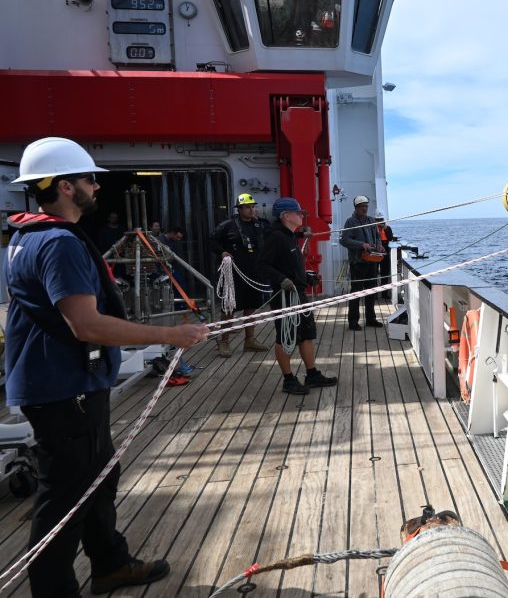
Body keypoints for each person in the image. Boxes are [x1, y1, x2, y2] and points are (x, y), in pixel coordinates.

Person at [4, 137, 209, 596]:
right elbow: (86, 325)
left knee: (98, 477)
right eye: (88, 179)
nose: (97, 187)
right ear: (64, 187)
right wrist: (170, 336)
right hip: (63, 389)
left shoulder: (24, 236)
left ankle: (110, 564)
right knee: (65, 497)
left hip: (58, 383)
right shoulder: (58, 242)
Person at [256, 197, 337, 395]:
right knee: (286, 337)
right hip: (283, 295)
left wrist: (306, 277)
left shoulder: (290, 235)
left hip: (298, 293)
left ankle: (312, 374)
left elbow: (291, 264)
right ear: (285, 216)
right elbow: (262, 265)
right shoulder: (275, 237)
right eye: (298, 212)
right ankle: (288, 380)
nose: (301, 215)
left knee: (307, 335)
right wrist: (281, 279)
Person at [211, 194, 271, 357]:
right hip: (233, 273)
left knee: (251, 307)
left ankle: (249, 340)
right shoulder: (227, 226)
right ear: (239, 209)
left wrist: (300, 235)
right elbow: (212, 241)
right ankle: (224, 342)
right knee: (228, 307)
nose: (252, 209)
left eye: (253, 206)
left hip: (253, 272)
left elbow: (275, 236)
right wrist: (222, 252)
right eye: (248, 207)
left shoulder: (260, 225)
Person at [340, 196, 384, 330]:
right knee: (356, 293)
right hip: (358, 263)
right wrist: (361, 245)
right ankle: (353, 322)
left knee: (372, 292)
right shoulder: (350, 222)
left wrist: (379, 245)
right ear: (356, 208)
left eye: (366, 206)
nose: (364, 208)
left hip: (372, 262)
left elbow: (377, 238)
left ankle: (371, 319)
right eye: (362, 207)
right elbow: (345, 240)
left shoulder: (371, 220)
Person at [374, 210, 396, 303]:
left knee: (385, 273)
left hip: (385, 252)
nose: (379, 222)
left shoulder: (388, 228)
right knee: (373, 273)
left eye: (381, 220)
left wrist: (385, 228)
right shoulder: (372, 228)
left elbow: (390, 238)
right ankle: (374, 294)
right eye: (377, 220)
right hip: (374, 252)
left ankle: (384, 293)